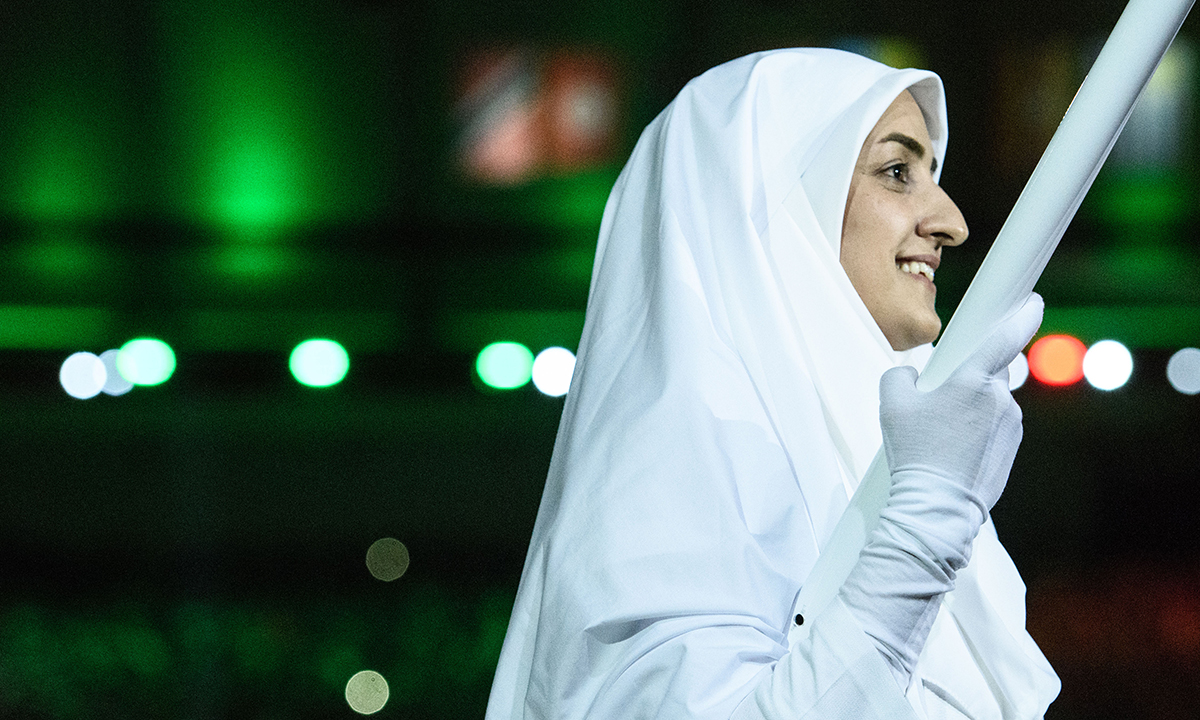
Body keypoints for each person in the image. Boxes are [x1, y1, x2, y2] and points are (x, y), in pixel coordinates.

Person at [485, 48, 1060, 719]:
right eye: (898, 171)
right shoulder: (668, 470)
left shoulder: (858, 464)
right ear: (768, 209)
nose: (952, 223)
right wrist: (929, 517)